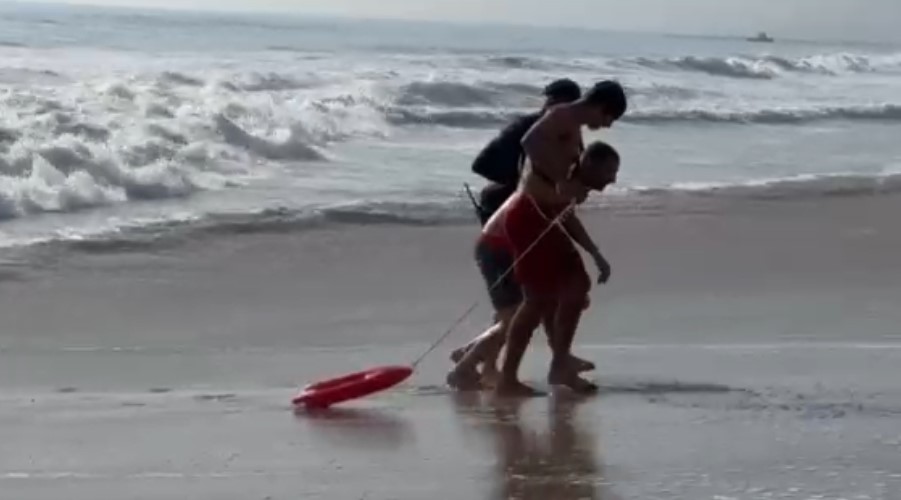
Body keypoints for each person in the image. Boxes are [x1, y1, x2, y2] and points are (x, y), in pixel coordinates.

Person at [447, 80, 627, 390]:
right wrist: (558, 180)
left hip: (534, 220)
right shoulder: (563, 116)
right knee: (530, 305)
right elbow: (529, 141)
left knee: (571, 288)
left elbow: (564, 212)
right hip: (516, 224)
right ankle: (491, 372)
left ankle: (557, 362)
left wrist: (594, 251)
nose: (607, 126)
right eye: (610, 118)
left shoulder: (573, 130)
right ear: (601, 107)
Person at [495, 139, 622, 396]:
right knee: (537, 301)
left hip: (548, 226)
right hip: (526, 225)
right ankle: (507, 379)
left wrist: (595, 253)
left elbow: (567, 217)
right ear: (590, 165)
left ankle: (561, 362)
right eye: (609, 172)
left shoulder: (578, 185)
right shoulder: (563, 172)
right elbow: (530, 165)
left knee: (577, 285)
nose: (613, 180)